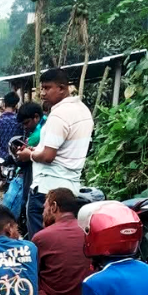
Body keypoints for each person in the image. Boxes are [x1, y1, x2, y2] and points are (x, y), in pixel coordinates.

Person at [17, 68, 92, 237]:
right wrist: (36, 150)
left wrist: (28, 155)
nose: (43, 93)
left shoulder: (59, 115)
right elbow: (63, 149)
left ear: (62, 88)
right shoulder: (83, 111)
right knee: (63, 238)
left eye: (47, 88)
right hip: (71, 189)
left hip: (47, 190)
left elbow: (49, 156)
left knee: (42, 241)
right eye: (42, 88)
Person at [32, 187, 91, 295]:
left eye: (44, 208)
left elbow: (32, 276)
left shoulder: (42, 237)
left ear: (54, 207)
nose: (42, 213)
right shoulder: (89, 231)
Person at [0, 91, 22, 163]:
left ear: (4, 104)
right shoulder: (20, 121)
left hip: (1, 157)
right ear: (16, 105)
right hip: (17, 157)